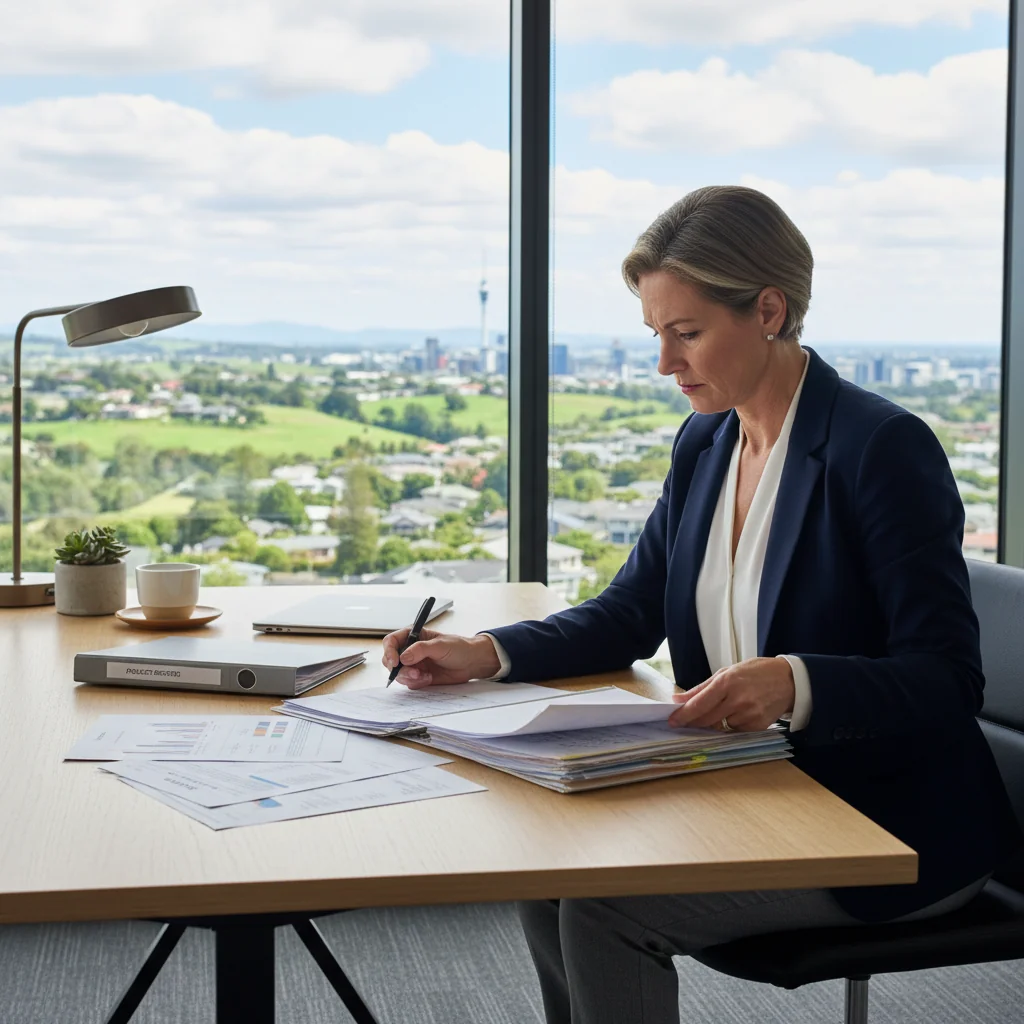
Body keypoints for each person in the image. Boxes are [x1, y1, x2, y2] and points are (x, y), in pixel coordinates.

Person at [382, 186, 1021, 1024]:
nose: (665, 364)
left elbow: (946, 677)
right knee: (552, 873)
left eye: (686, 333)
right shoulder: (707, 440)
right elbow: (629, 611)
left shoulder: (880, 448)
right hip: (750, 789)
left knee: (606, 912)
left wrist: (795, 682)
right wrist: (488, 654)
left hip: (887, 826)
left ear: (768, 310)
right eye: (657, 334)